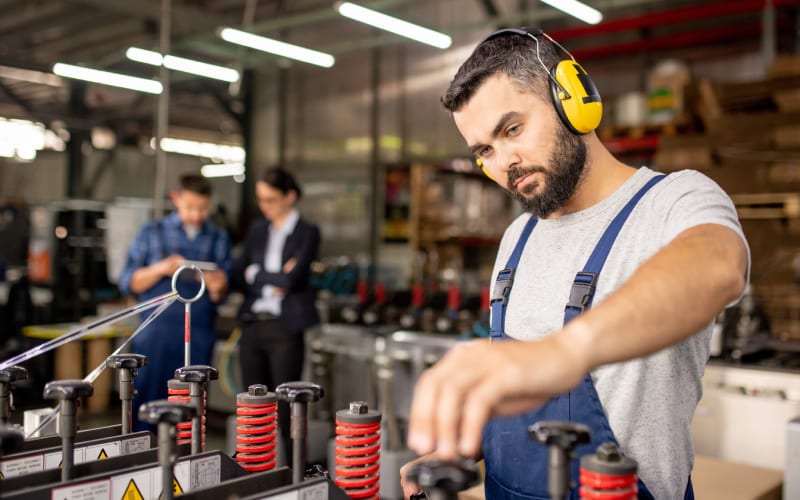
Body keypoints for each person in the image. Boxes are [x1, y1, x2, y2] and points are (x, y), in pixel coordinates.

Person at [401, 28, 749, 499]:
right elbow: (522, 398)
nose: (505, 162)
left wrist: (563, 351)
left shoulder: (673, 200)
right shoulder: (516, 238)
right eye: (484, 150)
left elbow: (718, 265)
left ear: (574, 100)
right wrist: (470, 451)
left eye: (512, 130)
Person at [119, 174, 232, 430]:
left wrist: (219, 285)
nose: (196, 215)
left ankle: (187, 458)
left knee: (191, 400)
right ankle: (140, 453)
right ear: (176, 199)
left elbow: (222, 293)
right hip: (155, 331)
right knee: (148, 397)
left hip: (198, 331)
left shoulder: (218, 238)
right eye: (191, 207)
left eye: (203, 208)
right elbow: (128, 281)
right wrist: (161, 268)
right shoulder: (152, 232)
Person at [232, 167, 321, 464]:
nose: (264, 206)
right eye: (261, 200)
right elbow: (238, 274)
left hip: (285, 328)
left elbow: (292, 280)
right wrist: (272, 276)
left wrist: (257, 273)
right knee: (252, 406)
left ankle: (295, 472)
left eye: (271, 199)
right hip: (253, 325)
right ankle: (253, 470)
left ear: (290, 197)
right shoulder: (257, 230)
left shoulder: (307, 233)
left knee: (287, 406)